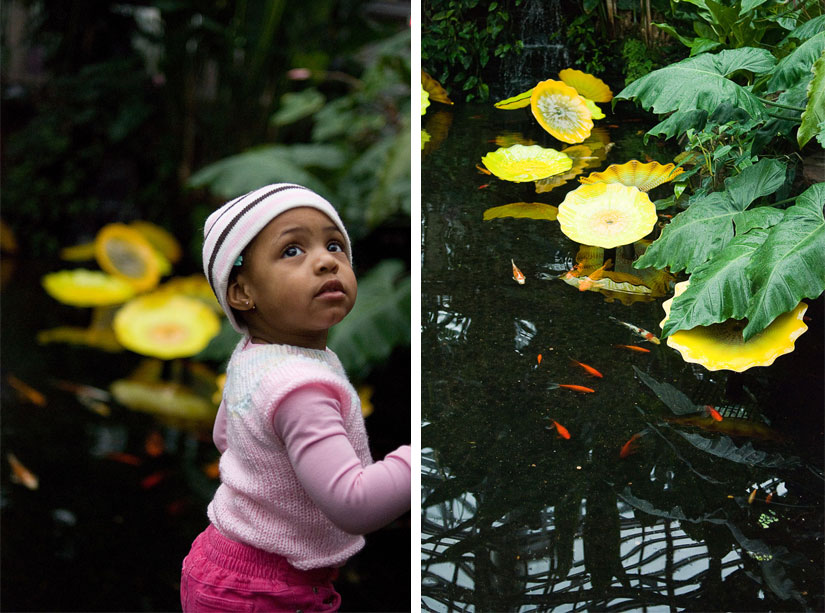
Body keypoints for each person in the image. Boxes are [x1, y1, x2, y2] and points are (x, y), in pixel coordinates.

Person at [181, 183, 411, 612]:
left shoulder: (256, 356)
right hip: (262, 590)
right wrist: (422, 459)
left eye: (334, 245)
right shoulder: (299, 387)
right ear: (241, 293)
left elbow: (226, 436)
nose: (326, 261)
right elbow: (354, 504)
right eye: (292, 251)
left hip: (222, 561)